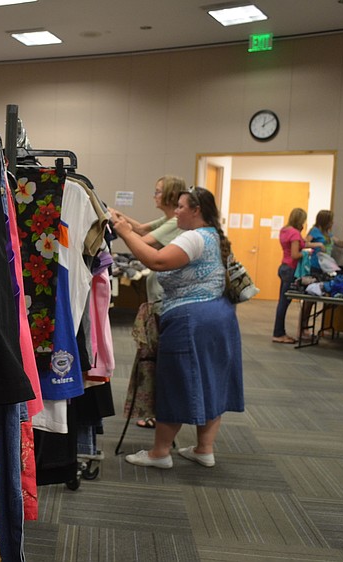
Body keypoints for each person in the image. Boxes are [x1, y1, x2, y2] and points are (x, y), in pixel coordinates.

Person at [111, 186, 243, 469]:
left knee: (175, 382)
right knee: (211, 381)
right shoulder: (212, 236)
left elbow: (156, 261)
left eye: (182, 207)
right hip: (219, 317)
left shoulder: (195, 238)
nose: (177, 212)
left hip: (192, 322)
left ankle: (160, 453)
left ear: (196, 210)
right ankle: (204, 448)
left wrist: (125, 232)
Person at [109, 175, 185, 430]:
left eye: (158, 191)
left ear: (171, 195)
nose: (154, 195)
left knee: (155, 361)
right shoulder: (169, 219)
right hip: (158, 301)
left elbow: (142, 242)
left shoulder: (176, 221)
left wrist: (121, 228)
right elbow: (141, 229)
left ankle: (158, 413)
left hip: (165, 303)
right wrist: (118, 216)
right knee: (152, 359)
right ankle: (155, 411)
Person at [272, 208, 324, 344]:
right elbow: (295, 254)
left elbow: (302, 243)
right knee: (284, 302)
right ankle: (278, 333)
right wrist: (308, 254)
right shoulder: (294, 233)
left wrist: (315, 244)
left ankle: (279, 332)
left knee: (282, 302)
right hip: (291, 269)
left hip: (283, 266)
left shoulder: (285, 230)